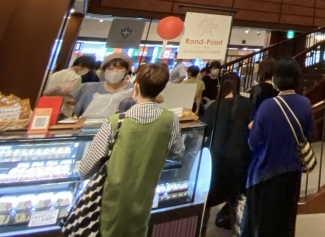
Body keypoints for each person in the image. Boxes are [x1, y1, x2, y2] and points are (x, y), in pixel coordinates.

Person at [78, 63, 184, 237]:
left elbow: (85, 170)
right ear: (162, 89)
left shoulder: (116, 122)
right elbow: (177, 153)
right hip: (144, 200)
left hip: (111, 203)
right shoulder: (170, 119)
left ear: (136, 87)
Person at [246, 58, 313, 237]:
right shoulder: (305, 103)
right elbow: (309, 133)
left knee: (265, 222)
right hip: (292, 170)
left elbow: (253, 142)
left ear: (276, 78)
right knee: (286, 220)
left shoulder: (267, 106)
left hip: (266, 171)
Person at [201, 73, 253, 230]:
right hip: (240, 156)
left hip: (216, 158)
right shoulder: (247, 103)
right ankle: (237, 225)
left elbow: (204, 130)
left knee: (209, 196)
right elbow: (253, 127)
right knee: (237, 194)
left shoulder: (214, 106)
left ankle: (201, 227)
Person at [74, 53, 135, 118]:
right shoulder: (90, 87)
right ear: (104, 71)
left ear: (126, 71)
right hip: (87, 123)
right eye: (111, 68)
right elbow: (72, 100)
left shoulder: (134, 89)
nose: (115, 71)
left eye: (120, 68)